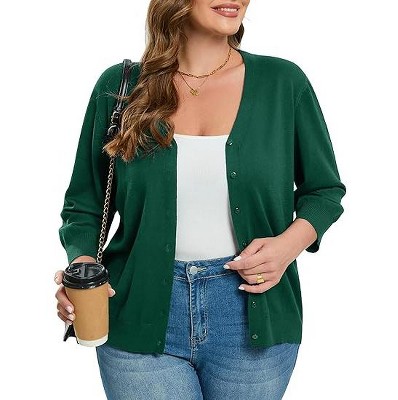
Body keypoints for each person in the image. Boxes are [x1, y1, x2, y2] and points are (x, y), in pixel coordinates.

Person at [54, 0, 346, 399]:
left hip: (253, 314)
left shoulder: (283, 83)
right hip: (136, 307)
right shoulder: (121, 88)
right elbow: (84, 203)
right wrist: (83, 265)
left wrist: (287, 247)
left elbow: (324, 190)